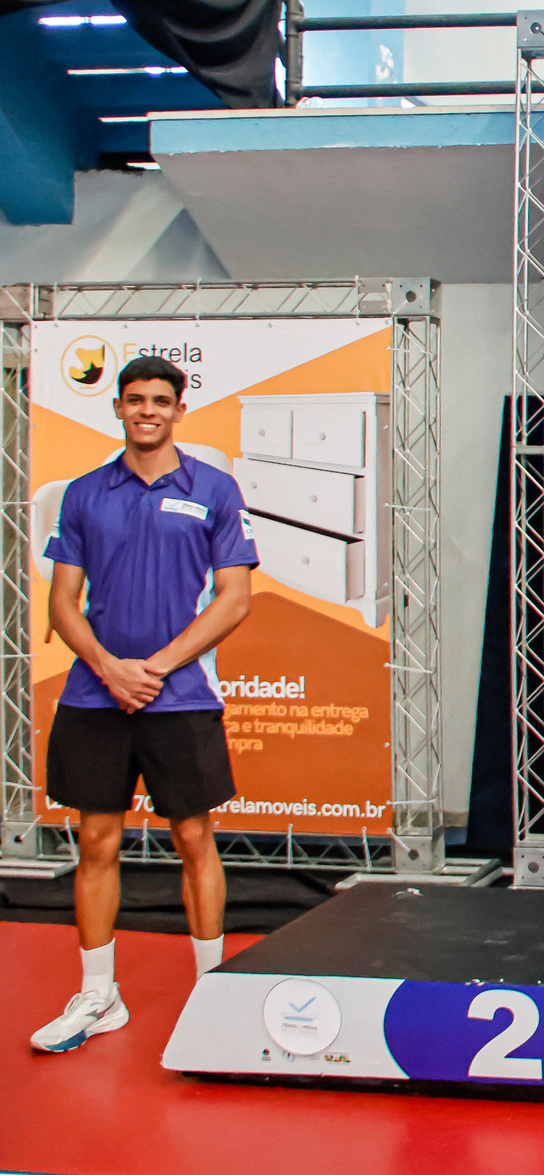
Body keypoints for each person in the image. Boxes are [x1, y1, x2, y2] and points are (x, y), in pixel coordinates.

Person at [32, 356, 259, 1052]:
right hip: (94, 697)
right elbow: (62, 601)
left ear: (179, 409)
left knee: (193, 838)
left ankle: (212, 989)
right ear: (119, 409)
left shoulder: (214, 488)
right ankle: (99, 995)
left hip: (180, 697)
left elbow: (235, 598)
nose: (148, 411)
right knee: (97, 841)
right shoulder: (83, 493)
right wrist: (109, 668)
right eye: (135, 400)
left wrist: (154, 669)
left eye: (161, 400)